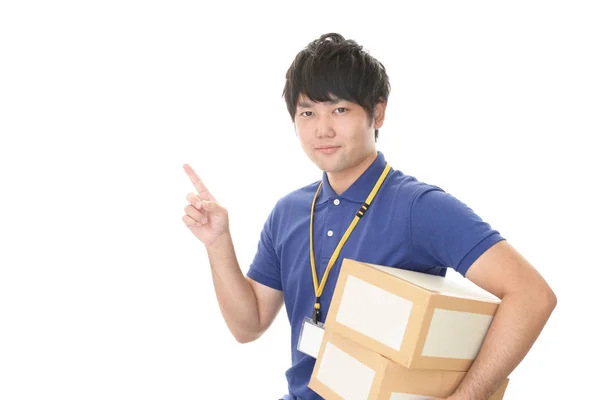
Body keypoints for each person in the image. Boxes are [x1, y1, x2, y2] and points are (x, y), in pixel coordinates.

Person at [181, 33, 557, 400]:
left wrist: (468, 396)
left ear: (377, 113)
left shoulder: (419, 207)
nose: (322, 128)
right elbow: (248, 326)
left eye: (340, 109)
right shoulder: (288, 212)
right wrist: (218, 244)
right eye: (308, 112)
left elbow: (531, 295)